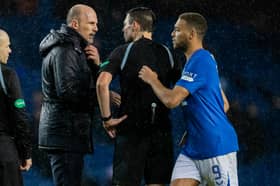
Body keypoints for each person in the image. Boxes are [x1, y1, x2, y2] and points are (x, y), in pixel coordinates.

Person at [138, 12, 239, 186]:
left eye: (177, 30)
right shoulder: (201, 61)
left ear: (191, 34)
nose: (172, 33)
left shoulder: (201, 60)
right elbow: (223, 104)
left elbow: (172, 100)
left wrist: (152, 79)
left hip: (216, 148)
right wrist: (196, 126)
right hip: (193, 149)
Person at [96, 7, 183, 186]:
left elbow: (101, 83)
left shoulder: (123, 51)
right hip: (161, 131)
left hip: (131, 132)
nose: (123, 30)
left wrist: (106, 118)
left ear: (135, 25)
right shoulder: (168, 53)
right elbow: (182, 92)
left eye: (125, 25)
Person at [38, 4, 100, 186]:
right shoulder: (66, 49)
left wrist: (97, 66)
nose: (96, 28)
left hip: (67, 134)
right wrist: (99, 95)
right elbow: (68, 92)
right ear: (75, 24)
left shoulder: (74, 48)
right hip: (65, 134)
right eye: (91, 23)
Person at [0, 29, 32, 186]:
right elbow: (20, 115)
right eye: (7, 46)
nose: (10, 50)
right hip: (4, 154)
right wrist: (25, 152)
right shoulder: (7, 74)